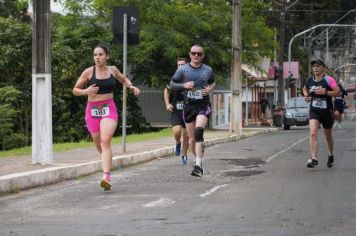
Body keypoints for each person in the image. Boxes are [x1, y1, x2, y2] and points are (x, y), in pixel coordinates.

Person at [72, 44, 140, 190]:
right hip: (92, 110)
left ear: (107, 56)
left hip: (108, 108)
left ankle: (106, 176)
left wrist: (131, 86)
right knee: (99, 145)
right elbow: (75, 90)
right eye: (95, 55)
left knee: (105, 141)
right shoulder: (89, 72)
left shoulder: (113, 70)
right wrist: (86, 91)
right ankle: (107, 163)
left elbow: (124, 79)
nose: (97, 57)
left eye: (100, 54)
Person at [169, 44, 215, 177]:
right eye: (194, 53)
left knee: (199, 131)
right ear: (190, 55)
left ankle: (198, 165)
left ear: (203, 56)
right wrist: (184, 85)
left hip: (203, 106)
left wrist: (210, 89)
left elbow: (213, 82)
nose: (196, 55)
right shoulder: (182, 70)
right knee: (192, 139)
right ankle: (197, 162)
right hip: (189, 107)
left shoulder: (208, 70)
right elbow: (171, 85)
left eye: (199, 54)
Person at [303, 59, 340, 168]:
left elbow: (338, 92)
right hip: (314, 111)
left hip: (327, 111)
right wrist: (306, 96)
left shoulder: (329, 80)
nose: (315, 68)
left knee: (327, 136)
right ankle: (314, 159)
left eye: (318, 66)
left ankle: (331, 154)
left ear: (323, 67)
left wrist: (326, 92)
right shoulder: (310, 80)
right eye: (314, 66)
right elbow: (305, 89)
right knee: (313, 133)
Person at [164, 58, 189, 164]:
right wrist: (167, 104)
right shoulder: (175, 79)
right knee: (177, 131)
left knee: (186, 135)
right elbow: (166, 91)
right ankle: (178, 142)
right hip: (176, 110)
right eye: (178, 65)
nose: (180, 67)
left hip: (189, 110)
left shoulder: (191, 78)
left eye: (182, 65)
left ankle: (184, 156)